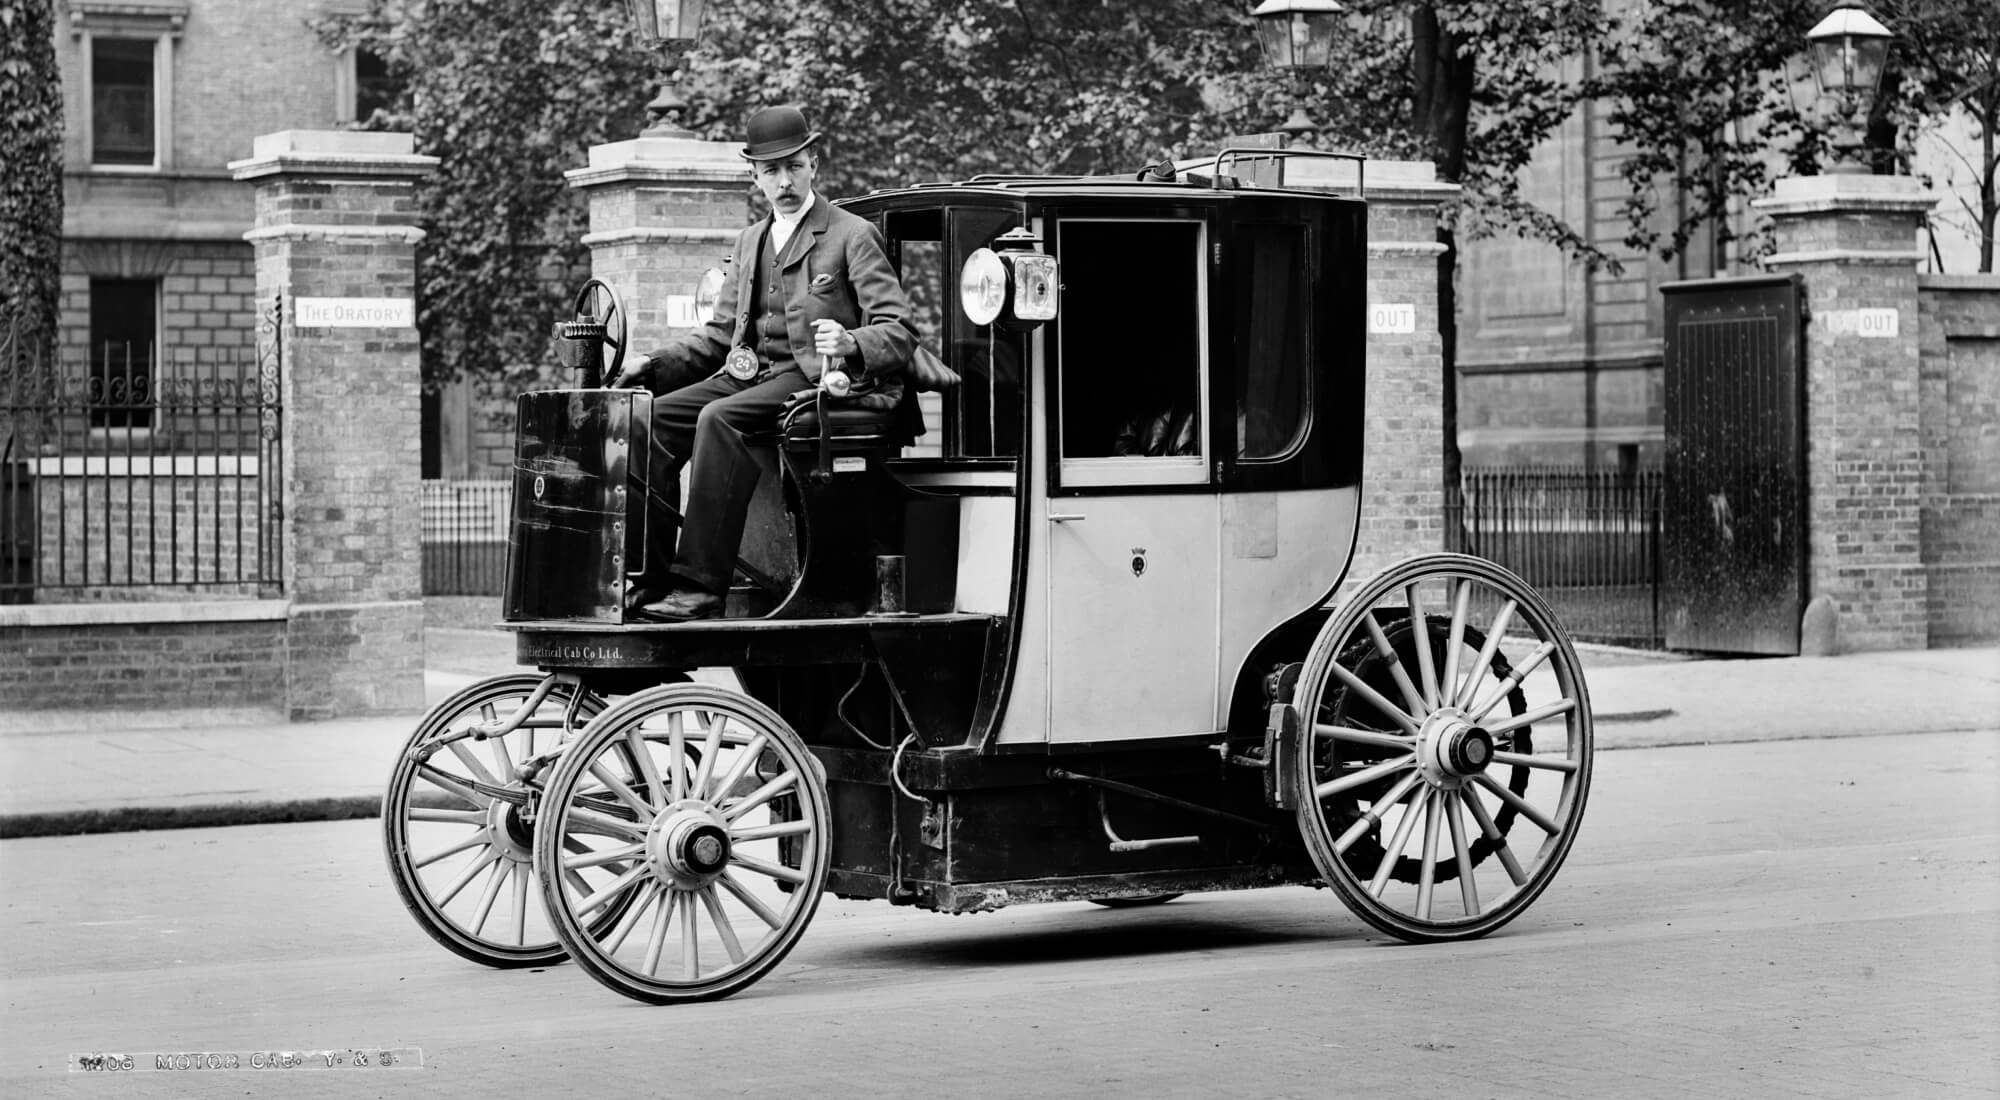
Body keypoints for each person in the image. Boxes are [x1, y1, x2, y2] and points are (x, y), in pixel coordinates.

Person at [613, 105, 917, 621]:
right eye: (772, 171)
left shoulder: (851, 234)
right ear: (754, 176)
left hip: (808, 377)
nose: (785, 181)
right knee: (649, 419)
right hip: (747, 373)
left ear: (813, 166)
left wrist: (851, 342)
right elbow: (717, 338)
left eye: (794, 167)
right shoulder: (750, 240)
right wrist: (653, 365)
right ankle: (651, 576)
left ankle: (701, 585)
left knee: (719, 418)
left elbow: (900, 329)